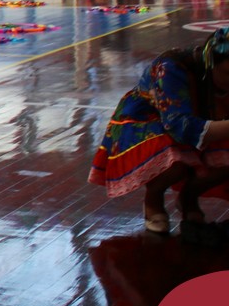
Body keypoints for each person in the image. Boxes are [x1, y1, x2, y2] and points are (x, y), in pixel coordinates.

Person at [90, 27, 229, 245]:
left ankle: (189, 196)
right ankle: (154, 197)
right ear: (211, 63)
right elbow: (179, 127)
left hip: (204, 119)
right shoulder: (170, 68)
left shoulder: (218, 78)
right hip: (149, 122)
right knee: (176, 160)